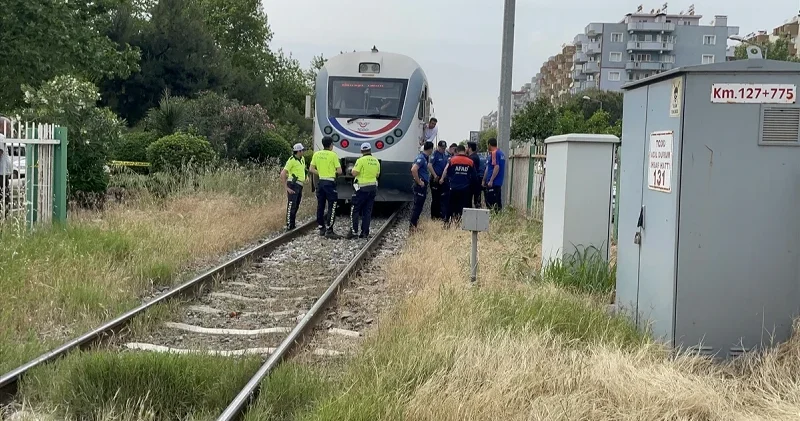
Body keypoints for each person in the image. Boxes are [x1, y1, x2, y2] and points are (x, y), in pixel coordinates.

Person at [310, 136, 343, 238]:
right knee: (332, 206)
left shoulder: (317, 154)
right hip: (330, 183)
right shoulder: (333, 155)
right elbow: (339, 171)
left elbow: (311, 169)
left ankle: (321, 227)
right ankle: (329, 230)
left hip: (321, 182)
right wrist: (332, 173)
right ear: (331, 145)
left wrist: (320, 173)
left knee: (320, 205)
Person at [348, 142, 380, 239]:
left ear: (361, 151)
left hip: (361, 188)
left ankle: (354, 232)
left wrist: (351, 170)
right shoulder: (376, 161)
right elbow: (377, 175)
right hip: (373, 188)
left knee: (355, 209)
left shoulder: (360, 160)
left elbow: (354, 173)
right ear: (370, 150)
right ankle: (365, 233)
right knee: (367, 211)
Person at [441, 144, 477, 225]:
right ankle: (463, 224)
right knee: (463, 207)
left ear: (457, 151)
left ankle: (447, 224)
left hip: (454, 188)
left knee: (450, 206)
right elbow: (474, 176)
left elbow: (448, 172)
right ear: (464, 151)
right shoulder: (470, 161)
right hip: (465, 188)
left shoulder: (453, 160)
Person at [280, 143, 307, 231]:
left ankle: (293, 223)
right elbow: (283, 173)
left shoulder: (302, 159)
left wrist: (306, 177)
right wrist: (286, 187)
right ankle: (289, 224)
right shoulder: (291, 160)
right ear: (298, 151)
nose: (303, 152)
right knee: (292, 204)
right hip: (293, 184)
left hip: (300, 185)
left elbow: (303, 169)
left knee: (297, 204)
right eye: (302, 150)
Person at [410, 141, 433, 230]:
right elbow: (413, 169)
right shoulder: (422, 158)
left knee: (418, 206)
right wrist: (419, 182)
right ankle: (413, 227)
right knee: (417, 207)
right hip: (420, 185)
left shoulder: (423, 157)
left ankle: (414, 225)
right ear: (430, 149)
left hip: (421, 184)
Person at [482, 137, 506, 211]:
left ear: (489, 144)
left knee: (491, 205)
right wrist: (484, 179)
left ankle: (493, 220)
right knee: (498, 205)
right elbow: (488, 168)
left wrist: (491, 180)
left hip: (493, 183)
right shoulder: (501, 154)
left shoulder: (494, 153)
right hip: (498, 183)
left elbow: (496, 167)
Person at [428, 140, 448, 220]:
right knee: (435, 199)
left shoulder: (444, 155)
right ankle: (434, 216)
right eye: (442, 148)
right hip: (435, 179)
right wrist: (435, 175)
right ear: (439, 147)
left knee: (441, 198)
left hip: (442, 179)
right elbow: (429, 165)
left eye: (444, 148)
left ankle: (439, 215)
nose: (443, 149)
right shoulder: (435, 154)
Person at [0, 117, 11, 218]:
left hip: (3, 173)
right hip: (1, 174)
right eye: (8, 126)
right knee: (4, 198)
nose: (9, 129)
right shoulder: (1, 137)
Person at [467, 141, 483, 208]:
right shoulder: (475, 156)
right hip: (476, 180)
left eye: (467, 147)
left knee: (471, 199)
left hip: (473, 181)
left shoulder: (472, 158)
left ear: (470, 148)